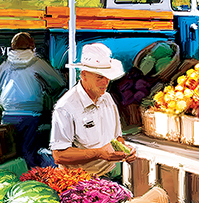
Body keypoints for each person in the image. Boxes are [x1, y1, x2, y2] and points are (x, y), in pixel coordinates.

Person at [50, 43, 136, 176]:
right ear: (83, 75)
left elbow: (117, 137)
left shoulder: (107, 98)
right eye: (100, 77)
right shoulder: (65, 107)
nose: (105, 82)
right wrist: (99, 153)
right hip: (80, 182)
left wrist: (125, 150)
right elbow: (59, 155)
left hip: (111, 174)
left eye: (107, 76)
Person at [0, 32, 66, 168]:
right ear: (32, 47)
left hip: (8, 116)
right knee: (29, 153)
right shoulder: (38, 63)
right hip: (32, 116)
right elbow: (58, 83)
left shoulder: (5, 65)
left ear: (12, 48)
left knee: (11, 155)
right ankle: (30, 180)